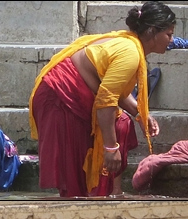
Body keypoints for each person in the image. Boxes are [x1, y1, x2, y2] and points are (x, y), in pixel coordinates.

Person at [28, 1, 176, 197]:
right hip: (61, 97)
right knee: (74, 180)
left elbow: (116, 93)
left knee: (122, 123)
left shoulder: (130, 45)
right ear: (151, 31)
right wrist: (110, 147)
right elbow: (106, 101)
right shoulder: (130, 52)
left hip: (76, 97)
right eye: (168, 34)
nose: (172, 40)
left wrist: (141, 115)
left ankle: (110, 193)